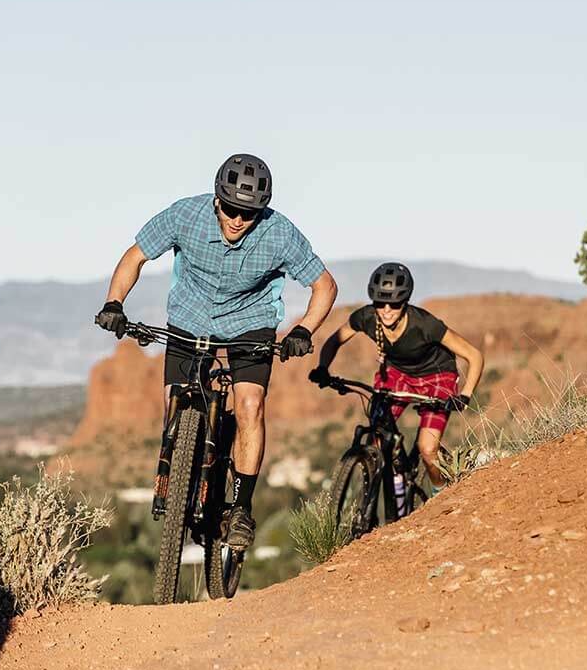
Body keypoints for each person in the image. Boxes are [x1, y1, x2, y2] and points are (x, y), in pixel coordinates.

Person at [94, 153, 337, 549]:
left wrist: (304, 330)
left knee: (249, 406)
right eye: (231, 209)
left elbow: (325, 286)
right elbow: (135, 256)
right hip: (190, 317)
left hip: (249, 321)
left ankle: (239, 509)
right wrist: (114, 303)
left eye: (249, 212)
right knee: (174, 401)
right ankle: (182, 476)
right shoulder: (184, 215)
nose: (238, 220)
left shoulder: (279, 234)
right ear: (216, 199)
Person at [310, 262, 483, 494]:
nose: (387, 309)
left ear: (405, 301)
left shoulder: (425, 324)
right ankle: (383, 491)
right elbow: (335, 339)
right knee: (377, 437)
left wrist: (465, 394)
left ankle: (441, 493)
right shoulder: (367, 317)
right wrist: (323, 368)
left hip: (436, 376)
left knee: (427, 448)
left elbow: (474, 355)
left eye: (394, 302)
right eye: (380, 302)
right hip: (397, 373)